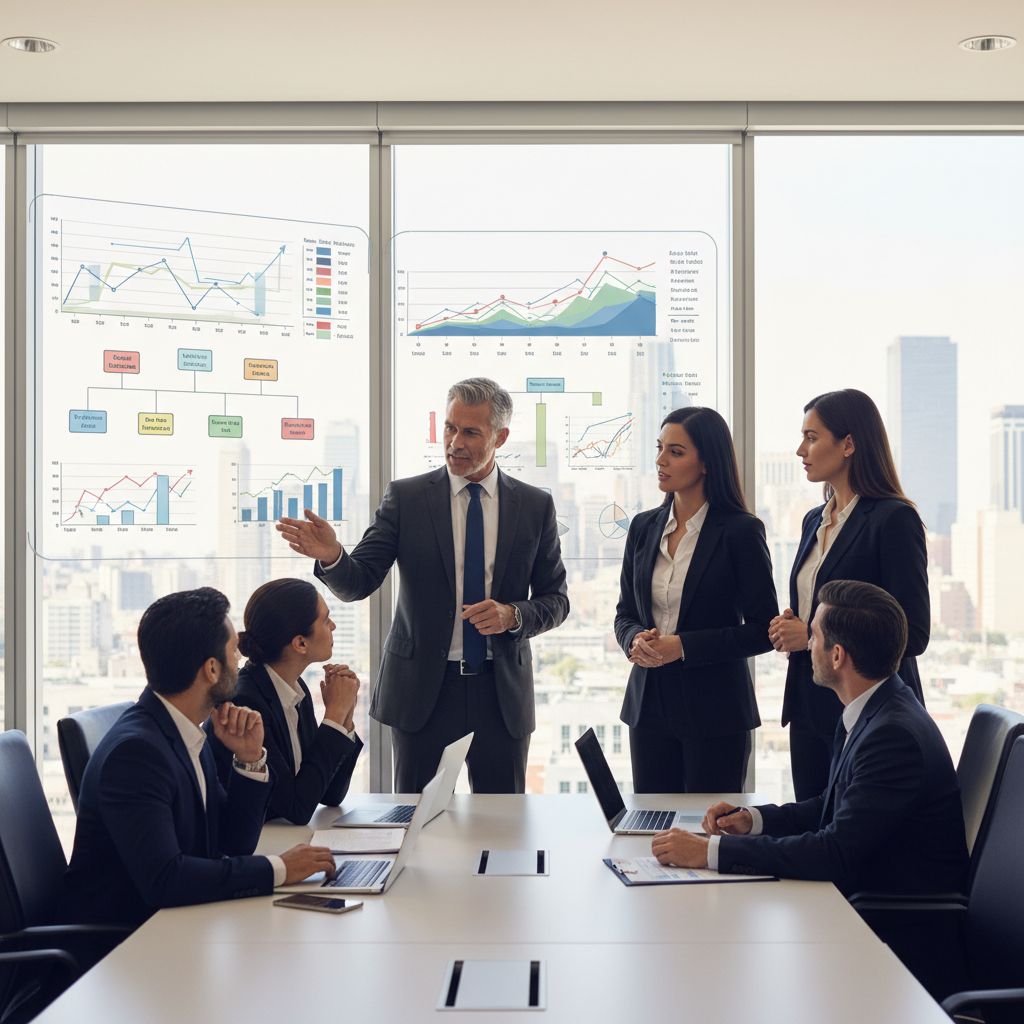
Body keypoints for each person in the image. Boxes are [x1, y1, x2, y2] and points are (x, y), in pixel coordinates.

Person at [277, 377, 569, 794]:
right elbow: (359, 581)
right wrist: (332, 555)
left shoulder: (535, 506)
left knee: (503, 828)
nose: (455, 442)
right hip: (422, 695)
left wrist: (513, 615)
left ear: (500, 437)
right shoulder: (407, 498)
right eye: (450, 428)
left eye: (471, 432)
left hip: (500, 694)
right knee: (417, 826)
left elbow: (556, 599)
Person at [650, 580, 968, 898]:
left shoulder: (892, 737)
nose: (807, 645)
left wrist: (709, 852)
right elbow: (832, 807)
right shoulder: (878, 707)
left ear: (837, 656)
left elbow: (832, 853)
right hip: (861, 897)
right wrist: (751, 820)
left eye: (813, 635)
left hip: (892, 921)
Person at [63, 588, 337, 928]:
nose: (239, 660)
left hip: (178, 926)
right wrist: (279, 869)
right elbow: (167, 879)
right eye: (232, 652)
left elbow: (232, 842)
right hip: (124, 948)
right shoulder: (136, 754)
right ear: (211, 669)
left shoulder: (186, 733)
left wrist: (250, 759)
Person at [770, 388, 929, 800]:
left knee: (845, 845)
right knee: (809, 831)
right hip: (808, 705)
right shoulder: (812, 521)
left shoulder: (893, 519)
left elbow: (914, 631)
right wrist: (793, 626)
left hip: (867, 713)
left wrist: (810, 634)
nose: (800, 449)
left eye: (811, 437)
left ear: (848, 444)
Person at [614, 407, 778, 792]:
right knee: (652, 831)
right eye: (659, 449)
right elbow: (624, 613)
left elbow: (762, 631)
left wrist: (682, 647)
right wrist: (634, 639)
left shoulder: (741, 531)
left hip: (716, 712)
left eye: (675, 451)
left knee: (707, 836)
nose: (660, 461)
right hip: (648, 708)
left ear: (706, 462)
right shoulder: (642, 527)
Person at [206, 578, 363, 825]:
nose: (332, 625)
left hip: (277, 837)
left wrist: (345, 716)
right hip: (248, 845)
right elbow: (296, 809)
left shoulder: (296, 689)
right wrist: (334, 714)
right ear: (300, 643)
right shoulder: (245, 700)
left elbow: (330, 794)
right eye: (325, 620)